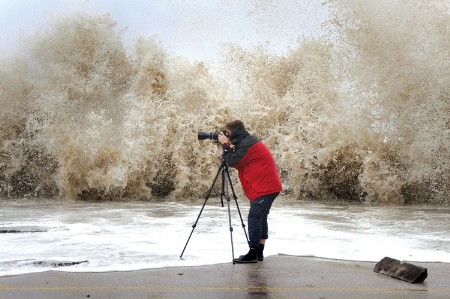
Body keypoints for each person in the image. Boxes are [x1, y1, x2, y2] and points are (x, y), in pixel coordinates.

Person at [218, 120, 282, 263]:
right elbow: (236, 159)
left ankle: (253, 253)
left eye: (227, 132)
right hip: (267, 187)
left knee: (254, 217)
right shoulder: (246, 142)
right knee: (260, 217)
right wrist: (227, 144)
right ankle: (259, 252)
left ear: (234, 131)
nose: (225, 134)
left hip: (265, 188)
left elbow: (232, 161)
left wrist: (225, 144)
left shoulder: (247, 144)